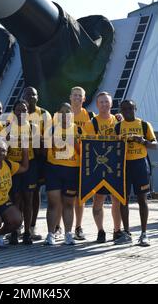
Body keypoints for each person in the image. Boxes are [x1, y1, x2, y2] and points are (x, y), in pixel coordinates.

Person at [114, 100, 158, 247]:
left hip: (140, 164)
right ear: (121, 110)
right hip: (124, 165)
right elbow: (112, 147)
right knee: (123, 200)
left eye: (130, 108)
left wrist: (143, 141)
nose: (127, 111)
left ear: (135, 108)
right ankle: (126, 233)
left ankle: (144, 234)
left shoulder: (144, 125)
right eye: (124, 109)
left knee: (142, 200)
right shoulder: (118, 126)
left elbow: (155, 145)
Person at [83, 92, 123, 243]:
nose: (104, 104)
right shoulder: (91, 123)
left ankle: (117, 230)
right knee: (98, 201)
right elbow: (89, 146)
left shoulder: (119, 121)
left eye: (107, 102)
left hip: (115, 166)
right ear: (97, 105)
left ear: (111, 104)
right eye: (101, 102)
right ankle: (100, 231)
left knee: (117, 200)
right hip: (99, 167)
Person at [44, 103, 81, 246]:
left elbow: (82, 152)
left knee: (68, 204)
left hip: (71, 170)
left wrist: (75, 141)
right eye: (63, 112)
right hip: (53, 168)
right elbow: (44, 147)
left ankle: (68, 234)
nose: (65, 114)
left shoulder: (78, 129)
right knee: (53, 203)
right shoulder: (52, 129)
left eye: (68, 112)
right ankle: (50, 234)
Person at [6, 100, 38, 245]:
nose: (21, 113)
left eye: (24, 110)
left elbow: (38, 152)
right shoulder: (7, 128)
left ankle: (27, 233)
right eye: (18, 110)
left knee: (28, 199)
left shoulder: (33, 128)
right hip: (13, 167)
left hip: (29, 166)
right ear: (14, 112)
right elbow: (2, 149)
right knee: (15, 199)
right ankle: (14, 231)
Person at [22, 86, 52, 241]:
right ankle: (19, 226)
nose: (30, 97)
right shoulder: (18, 113)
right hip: (20, 157)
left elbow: (46, 139)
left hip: (39, 159)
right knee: (20, 194)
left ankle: (32, 226)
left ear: (37, 97)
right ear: (23, 96)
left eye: (33, 94)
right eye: (27, 94)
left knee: (35, 192)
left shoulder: (44, 114)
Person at [69, 86, 95, 240]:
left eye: (80, 96)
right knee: (63, 198)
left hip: (82, 162)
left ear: (84, 99)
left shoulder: (90, 116)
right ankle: (59, 227)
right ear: (70, 97)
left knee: (80, 197)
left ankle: (78, 227)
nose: (77, 98)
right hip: (64, 162)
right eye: (75, 95)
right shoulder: (61, 114)